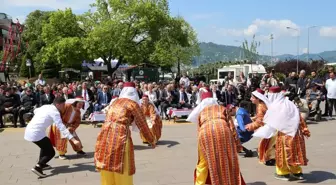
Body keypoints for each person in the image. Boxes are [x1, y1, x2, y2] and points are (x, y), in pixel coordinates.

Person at [94, 82, 155, 185]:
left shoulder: (115, 102)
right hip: (120, 134)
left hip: (105, 133)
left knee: (106, 162)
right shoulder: (133, 104)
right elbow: (142, 124)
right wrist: (151, 140)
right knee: (122, 164)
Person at [187, 92, 246, 185]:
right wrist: (238, 146)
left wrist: (201, 149)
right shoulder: (222, 109)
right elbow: (232, 127)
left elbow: (199, 131)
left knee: (204, 161)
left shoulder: (201, 113)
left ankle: (200, 183)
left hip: (205, 134)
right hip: (223, 131)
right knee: (228, 159)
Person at [253, 86, 310, 181]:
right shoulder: (290, 103)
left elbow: (269, 123)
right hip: (295, 133)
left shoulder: (276, 106)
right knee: (294, 153)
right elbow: (299, 117)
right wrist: (305, 129)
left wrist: (256, 129)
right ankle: (297, 172)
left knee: (283, 154)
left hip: (284, 134)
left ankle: (283, 173)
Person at [24, 97, 81, 178]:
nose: (64, 106)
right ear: (57, 105)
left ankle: (43, 164)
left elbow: (35, 110)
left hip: (30, 130)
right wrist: (73, 140)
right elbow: (62, 127)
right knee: (51, 153)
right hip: (36, 133)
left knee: (45, 146)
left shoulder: (45, 106)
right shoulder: (55, 112)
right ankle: (38, 167)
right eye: (63, 105)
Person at [245, 88, 276, 166]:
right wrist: (253, 118)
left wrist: (250, 126)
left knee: (266, 145)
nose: (250, 99)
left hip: (269, 128)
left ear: (258, 99)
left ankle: (270, 159)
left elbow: (260, 121)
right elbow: (261, 116)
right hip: (271, 126)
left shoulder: (260, 106)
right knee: (267, 144)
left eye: (252, 97)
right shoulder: (261, 105)